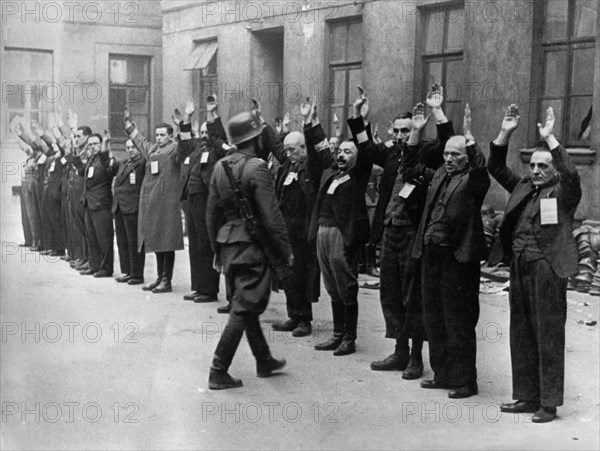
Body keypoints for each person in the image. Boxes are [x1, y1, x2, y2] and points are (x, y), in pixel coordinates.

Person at [488, 106, 581, 423]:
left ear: (554, 170)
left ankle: (549, 402)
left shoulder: (564, 193)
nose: (537, 170)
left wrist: (551, 139)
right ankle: (527, 396)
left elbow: (572, 173)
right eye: (533, 165)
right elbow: (496, 167)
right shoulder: (524, 187)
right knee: (522, 331)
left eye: (544, 165)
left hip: (548, 270)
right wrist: (506, 132)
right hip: (521, 267)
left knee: (548, 334)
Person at [365, 85, 453, 379]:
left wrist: (436, 115)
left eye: (406, 131)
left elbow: (446, 144)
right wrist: (359, 118)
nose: (401, 136)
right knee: (390, 291)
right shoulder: (391, 155)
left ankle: (416, 356)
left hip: (414, 232)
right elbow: (365, 148)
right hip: (390, 232)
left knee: (412, 295)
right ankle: (400, 351)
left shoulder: (425, 151)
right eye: (398, 132)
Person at [206, 111, 293, 390]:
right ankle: (218, 370)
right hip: (252, 247)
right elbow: (271, 216)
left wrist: (216, 250)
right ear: (256, 138)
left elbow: (211, 215)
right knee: (244, 307)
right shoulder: (257, 167)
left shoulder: (220, 166)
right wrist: (285, 250)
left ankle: (263, 359)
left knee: (246, 301)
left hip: (228, 244)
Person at [411, 104, 490, 399]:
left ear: (466, 157)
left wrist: (469, 139)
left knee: (458, 319)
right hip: (431, 253)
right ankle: (442, 373)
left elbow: (483, 171)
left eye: (456, 155)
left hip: (458, 257)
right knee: (434, 315)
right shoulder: (440, 174)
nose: (449, 159)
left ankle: (466, 380)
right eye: (447, 154)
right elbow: (415, 161)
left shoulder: (473, 179)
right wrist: (424, 127)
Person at [305, 93, 375, 356]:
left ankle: (349, 337)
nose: (343, 155)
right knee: (331, 285)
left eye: (349, 151)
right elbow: (322, 147)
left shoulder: (358, 175)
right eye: (341, 151)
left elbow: (366, 151)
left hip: (341, 235)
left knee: (346, 285)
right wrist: (311, 123)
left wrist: (358, 117)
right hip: (322, 231)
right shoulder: (332, 171)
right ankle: (337, 334)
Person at [267, 101, 320, 338]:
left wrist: (308, 121)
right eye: (286, 150)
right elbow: (276, 145)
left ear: (303, 148)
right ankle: (293, 315)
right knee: (287, 274)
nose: (288, 154)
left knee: (303, 274)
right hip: (286, 228)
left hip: (303, 229)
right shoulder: (287, 166)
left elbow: (318, 151)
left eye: (293, 150)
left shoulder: (312, 167)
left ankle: (304, 319)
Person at [124, 107, 185, 294]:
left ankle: (167, 279)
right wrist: (128, 125)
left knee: (168, 241)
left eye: (162, 135)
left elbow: (185, 145)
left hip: (167, 203)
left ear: (170, 136)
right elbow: (140, 141)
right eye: (157, 135)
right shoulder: (152, 150)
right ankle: (159, 276)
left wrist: (181, 126)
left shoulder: (174, 149)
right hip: (152, 202)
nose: (158, 138)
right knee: (158, 240)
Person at [177, 98, 229, 303]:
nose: (205, 136)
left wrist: (212, 114)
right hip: (192, 200)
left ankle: (209, 289)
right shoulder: (197, 148)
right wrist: (187, 118)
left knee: (206, 243)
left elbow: (221, 137)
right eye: (203, 133)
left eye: (208, 133)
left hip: (207, 200)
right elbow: (184, 144)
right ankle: (198, 286)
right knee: (196, 244)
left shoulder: (216, 148)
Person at [71, 133, 115, 277]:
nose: (92, 147)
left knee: (104, 238)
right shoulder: (91, 159)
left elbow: (106, 164)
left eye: (95, 144)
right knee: (92, 237)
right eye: (90, 145)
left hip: (101, 203)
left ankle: (106, 268)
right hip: (89, 203)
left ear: (101, 144)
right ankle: (94, 265)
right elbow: (82, 171)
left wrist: (105, 147)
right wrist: (77, 155)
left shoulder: (105, 159)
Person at [111, 138, 146, 285]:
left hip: (133, 207)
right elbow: (110, 164)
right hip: (119, 206)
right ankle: (127, 271)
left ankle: (137, 274)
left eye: (133, 147)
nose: (130, 149)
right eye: (128, 147)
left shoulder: (142, 163)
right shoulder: (124, 163)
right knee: (122, 241)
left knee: (133, 242)